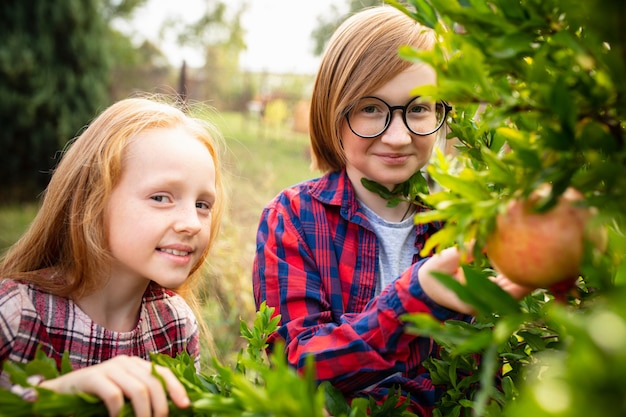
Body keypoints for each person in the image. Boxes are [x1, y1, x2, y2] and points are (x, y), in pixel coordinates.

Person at [252, 6, 530, 416]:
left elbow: (476, 378)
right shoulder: (293, 219)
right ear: (334, 110)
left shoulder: (462, 224)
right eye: (371, 108)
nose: (398, 137)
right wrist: (414, 299)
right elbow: (297, 367)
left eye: (418, 109)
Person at [0, 95, 225, 417]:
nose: (191, 223)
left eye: (202, 205)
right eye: (161, 197)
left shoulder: (175, 325)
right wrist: (54, 397)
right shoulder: (16, 312)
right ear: (93, 200)